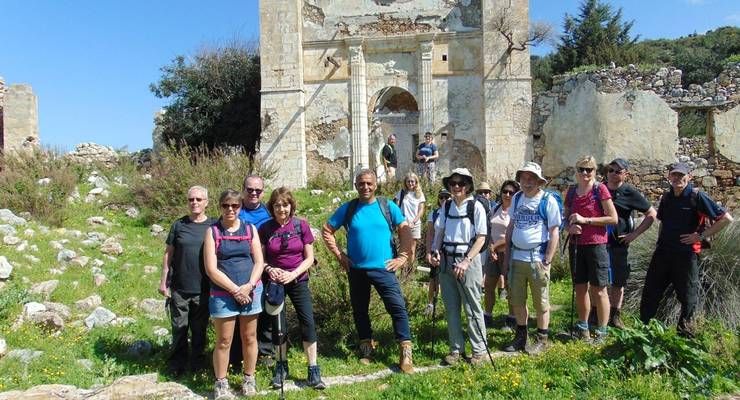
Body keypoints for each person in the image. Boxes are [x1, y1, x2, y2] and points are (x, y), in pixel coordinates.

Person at [322, 169, 415, 373]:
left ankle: (405, 351)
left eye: (369, 183)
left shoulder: (387, 206)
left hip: (384, 269)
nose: (365, 187)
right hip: (356, 270)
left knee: (397, 307)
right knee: (360, 310)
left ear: (375, 185)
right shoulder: (349, 208)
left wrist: (403, 257)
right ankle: (366, 348)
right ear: (356, 186)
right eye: (361, 184)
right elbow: (327, 230)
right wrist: (340, 256)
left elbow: (404, 229)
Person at [640, 162, 733, 337]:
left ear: (689, 177)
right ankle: (644, 334)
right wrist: (659, 243)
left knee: (688, 298)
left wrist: (700, 236)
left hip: (686, 256)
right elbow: (663, 223)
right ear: (669, 177)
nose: (677, 178)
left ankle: (684, 339)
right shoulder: (667, 197)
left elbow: (726, 219)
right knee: (650, 293)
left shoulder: (696, 196)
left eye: (681, 175)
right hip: (663, 253)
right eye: (674, 175)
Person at [258, 187, 326, 390]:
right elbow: (259, 259)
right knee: (279, 327)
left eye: (285, 205)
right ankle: (281, 367)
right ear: (272, 207)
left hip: (298, 280)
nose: (281, 209)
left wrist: (293, 274)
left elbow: (309, 258)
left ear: (291, 206)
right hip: (276, 281)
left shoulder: (301, 226)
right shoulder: (265, 229)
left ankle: (313, 369)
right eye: (277, 205)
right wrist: (270, 269)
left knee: (308, 322)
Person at [204, 189, 265, 398]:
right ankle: (221, 382)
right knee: (223, 340)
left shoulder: (250, 230)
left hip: (251, 291)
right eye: (226, 205)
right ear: (220, 206)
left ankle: (249, 378)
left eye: (235, 206)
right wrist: (235, 290)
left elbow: (259, 261)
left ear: (240, 207)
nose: (230, 209)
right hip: (223, 294)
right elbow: (211, 269)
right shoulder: (212, 232)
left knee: (249, 337)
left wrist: (248, 286)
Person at [430, 168, 488, 365]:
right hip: (446, 262)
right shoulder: (446, 207)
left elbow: (481, 237)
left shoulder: (476, 207)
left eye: (460, 183)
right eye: (452, 183)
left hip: (468, 262)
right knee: (451, 308)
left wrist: (467, 261)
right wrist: (434, 251)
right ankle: (456, 350)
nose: (456, 187)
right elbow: (440, 233)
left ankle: (479, 350)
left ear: (468, 186)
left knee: (472, 308)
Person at [501, 162, 560, 355]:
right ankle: (521, 337)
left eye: (531, 178)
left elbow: (554, 232)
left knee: (541, 301)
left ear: (538, 181)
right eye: (524, 178)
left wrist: (548, 260)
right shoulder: (517, 199)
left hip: (537, 258)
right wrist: (507, 258)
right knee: (517, 300)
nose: (527, 182)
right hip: (517, 257)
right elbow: (510, 228)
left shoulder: (547, 200)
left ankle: (542, 338)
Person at [159, 186, 216, 375]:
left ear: (206, 202)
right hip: (179, 288)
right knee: (179, 328)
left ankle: (197, 364)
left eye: (199, 199)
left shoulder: (214, 226)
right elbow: (168, 255)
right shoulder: (178, 225)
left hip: (204, 288)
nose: (195, 203)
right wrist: (163, 281)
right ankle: (177, 365)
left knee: (199, 330)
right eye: (191, 199)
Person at [564, 156, 618, 343]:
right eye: (581, 169)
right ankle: (583, 327)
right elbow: (565, 218)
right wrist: (569, 227)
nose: (585, 173)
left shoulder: (600, 189)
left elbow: (613, 218)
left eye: (589, 170)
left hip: (596, 245)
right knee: (580, 288)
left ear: (595, 171)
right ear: (576, 171)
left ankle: (602, 331)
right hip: (577, 245)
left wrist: (586, 221)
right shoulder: (571, 192)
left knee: (600, 290)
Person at [604, 158, 656, 329]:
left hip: (618, 244)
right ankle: (596, 315)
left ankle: (614, 316)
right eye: (611, 170)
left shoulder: (629, 192)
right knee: (598, 280)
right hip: (598, 243)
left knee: (618, 281)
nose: (613, 174)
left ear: (625, 174)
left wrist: (634, 235)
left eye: (618, 171)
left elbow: (651, 214)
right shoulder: (599, 189)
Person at [238, 174, 274, 368]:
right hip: (241, 269)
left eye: (257, 190)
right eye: (249, 189)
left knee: (266, 312)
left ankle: (265, 352)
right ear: (243, 190)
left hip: (266, 269)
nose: (253, 193)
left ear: (263, 192)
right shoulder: (234, 210)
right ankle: (237, 353)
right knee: (240, 313)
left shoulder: (269, 212)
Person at [483, 180, 519, 331]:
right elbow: (489, 229)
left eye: (511, 192)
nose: (507, 195)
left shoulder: (516, 211)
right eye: (505, 191)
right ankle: (488, 315)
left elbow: (512, 234)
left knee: (511, 286)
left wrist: (495, 246)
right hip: (493, 253)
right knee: (489, 285)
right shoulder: (495, 208)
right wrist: (491, 248)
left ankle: (512, 318)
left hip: (509, 253)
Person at [423, 189, 451, 316]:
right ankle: (430, 304)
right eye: (441, 197)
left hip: (450, 251)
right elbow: (430, 234)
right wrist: (428, 252)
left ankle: (447, 306)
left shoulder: (454, 212)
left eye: (446, 197)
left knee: (447, 280)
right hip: (436, 250)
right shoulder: (434, 214)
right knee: (434, 278)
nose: (444, 200)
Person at [394, 172, 426, 272]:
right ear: (406, 182)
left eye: (412, 181)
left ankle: (409, 270)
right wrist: (402, 219)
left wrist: (414, 221)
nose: (411, 183)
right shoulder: (402, 192)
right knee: (403, 247)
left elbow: (421, 210)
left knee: (412, 248)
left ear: (416, 182)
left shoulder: (419, 194)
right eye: (409, 181)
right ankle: (403, 268)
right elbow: (396, 207)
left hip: (415, 224)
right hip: (403, 224)